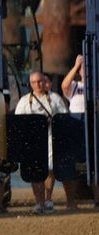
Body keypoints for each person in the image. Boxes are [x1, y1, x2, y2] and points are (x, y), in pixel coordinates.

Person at [14, 71, 68, 214]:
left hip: (51, 138)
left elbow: (63, 116)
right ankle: (39, 201)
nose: (38, 85)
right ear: (30, 84)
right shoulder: (25, 101)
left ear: (45, 82)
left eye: (40, 81)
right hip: (33, 142)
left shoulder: (55, 98)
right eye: (34, 82)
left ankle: (48, 199)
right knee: (35, 172)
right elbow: (18, 121)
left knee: (50, 169)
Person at [60, 54, 92, 209]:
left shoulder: (95, 85)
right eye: (83, 68)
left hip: (92, 121)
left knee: (93, 161)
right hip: (75, 121)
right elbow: (64, 86)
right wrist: (76, 65)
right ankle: (71, 201)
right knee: (71, 161)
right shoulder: (75, 86)